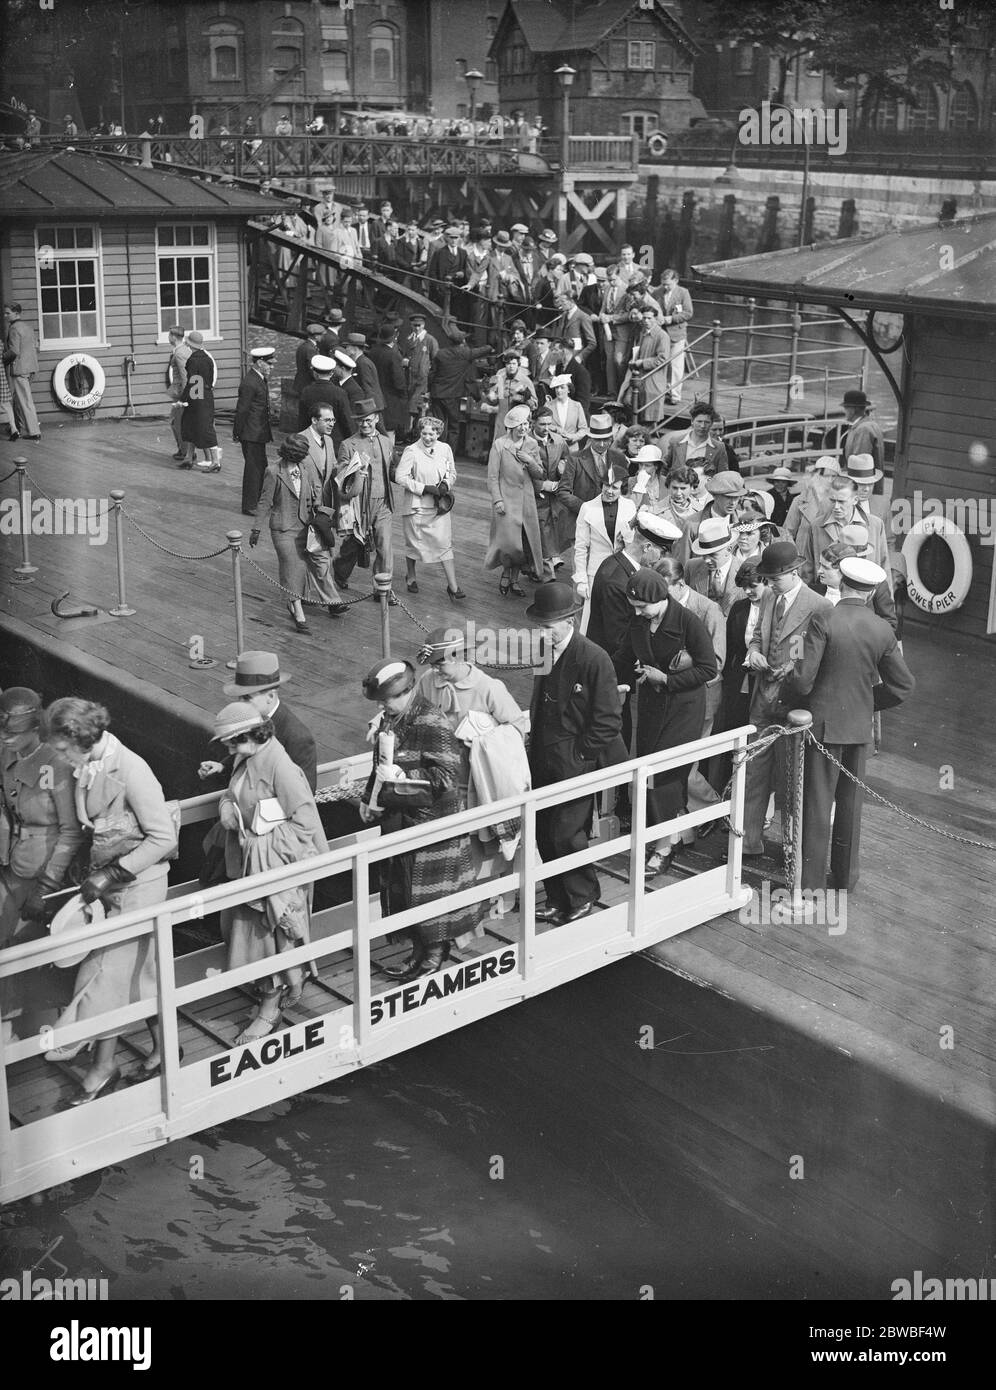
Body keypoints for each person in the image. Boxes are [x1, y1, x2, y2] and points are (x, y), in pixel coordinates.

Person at [45, 700, 178, 1101]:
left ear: (82, 739)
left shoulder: (133, 770)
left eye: (64, 749)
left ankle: (101, 1065)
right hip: (107, 885)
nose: (60, 757)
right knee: (142, 971)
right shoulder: (85, 766)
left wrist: (113, 873)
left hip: (140, 884)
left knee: (107, 973)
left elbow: (164, 838)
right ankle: (166, 1049)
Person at [782, 558, 914, 892]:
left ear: (842, 585)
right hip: (858, 729)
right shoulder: (882, 629)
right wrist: (869, 703)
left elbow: (803, 682)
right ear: (871, 593)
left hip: (823, 728)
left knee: (816, 804)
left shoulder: (823, 619)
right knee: (851, 807)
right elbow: (903, 686)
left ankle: (809, 882)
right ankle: (845, 878)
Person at [358, 658, 483, 980]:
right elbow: (380, 765)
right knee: (404, 890)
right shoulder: (393, 717)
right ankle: (419, 949)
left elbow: (446, 775)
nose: (384, 707)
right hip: (402, 819)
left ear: (407, 691)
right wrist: (369, 798)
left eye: (388, 699)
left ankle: (434, 952)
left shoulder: (431, 721)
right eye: (382, 701)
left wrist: (403, 774)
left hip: (431, 823)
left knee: (430, 894)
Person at [213, 703, 327, 1044]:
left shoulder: (282, 768)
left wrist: (261, 847)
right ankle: (270, 992)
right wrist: (226, 812)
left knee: (272, 938)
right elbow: (231, 793)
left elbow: (305, 822)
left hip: (277, 869)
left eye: (232, 743)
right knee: (250, 934)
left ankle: (270, 1008)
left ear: (250, 736)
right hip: (252, 869)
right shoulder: (246, 758)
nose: (228, 750)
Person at [526, 583, 628, 925]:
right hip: (542, 756)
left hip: (573, 763)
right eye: (540, 625)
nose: (544, 632)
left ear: (570, 619)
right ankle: (557, 897)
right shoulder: (544, 649)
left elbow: (609, 719)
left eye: (549, 625)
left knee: (566, 834)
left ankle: (583, 894)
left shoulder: (593, 658)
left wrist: (581, 757)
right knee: (544, 832)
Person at [613, 567, 716, 878]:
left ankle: (663, 849)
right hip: (652, 708)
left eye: (643, 606)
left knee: (665, 777)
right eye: (634, 606)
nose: (638, 612)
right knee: (648, 775)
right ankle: (673, 835)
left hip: (683, 710)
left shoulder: (688, 622)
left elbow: (708, 669)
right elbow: (622, 655)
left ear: (661, 598)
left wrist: (666, 678)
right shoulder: (639, 620)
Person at [740, 541, 830, 858]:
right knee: (754, 773)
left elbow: (817, 656)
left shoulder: (819, 607)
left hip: (793, 707)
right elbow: (756, 637)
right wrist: (754, 654)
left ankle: (792, 850)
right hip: (762, 701)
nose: (768, 584)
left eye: (774, 578)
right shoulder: (769, 598)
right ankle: (749, 841)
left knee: (791, 780)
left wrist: (792, 666)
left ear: (793, 572)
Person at [0, 689, 83, 1029]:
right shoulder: (7, 752)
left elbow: (70, 831)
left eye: (13, 733)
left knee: (31, 949)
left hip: (43, 873)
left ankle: (44, 1025)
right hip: (11, 866)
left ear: (35, 728)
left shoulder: (55, 764)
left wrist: (47, 885)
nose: (5, 738)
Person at [250, 434, 344, 634]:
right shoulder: (273, 472)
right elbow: (265, 501)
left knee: (318, 562)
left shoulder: (305, 468)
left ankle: (326, 601)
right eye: (300, 454)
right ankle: (299, 613)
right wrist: (256, 529)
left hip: (305, 526)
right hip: (283, 529)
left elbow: (314, 491)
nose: (303, 457)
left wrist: (320, 512)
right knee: (293, 568)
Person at [197, 652, 318, 792]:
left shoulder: (297, 737)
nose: (241, 704)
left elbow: (306, 794)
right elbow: (243, 754)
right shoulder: (250, 721)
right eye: (240, 698)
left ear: (270, 696)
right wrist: (222, 768)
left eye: (247, 698)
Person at [394, 415, 465, 600]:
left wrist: (445, 485)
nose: (427, 438)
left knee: (444, 544)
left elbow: (452, 472)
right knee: (414, 544)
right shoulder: (411, 450)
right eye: (424, 433)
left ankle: (453, 587)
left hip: (439, 506)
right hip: (417, 507)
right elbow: (400, 477)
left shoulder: (445, 449)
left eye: (431, 434)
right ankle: (411, 576)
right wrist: (423, 488)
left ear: (438, 433)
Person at [334, 398, 396, 595]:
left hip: (383, 502)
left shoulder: (386, 442)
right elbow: (341, 475)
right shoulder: (348, 444)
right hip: (359, 504)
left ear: (376, 418)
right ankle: (339, 573)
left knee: (385, 546)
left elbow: (392, 470)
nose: (365, 424)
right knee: (354, 544)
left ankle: (382, 590)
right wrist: (354, 472)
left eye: (369, 420)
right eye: (361, 421)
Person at [485, 404, 545, 596]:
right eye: (519, 424)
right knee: (509, 543)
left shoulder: (532, 444)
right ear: (511, 427)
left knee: (523, 542)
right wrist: (497, 500)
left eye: (526, 423)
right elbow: (493, 477)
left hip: (526, 501)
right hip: (506, 500)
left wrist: (531, 461)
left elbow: (540, 474)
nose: (523, 428)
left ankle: (515, 579)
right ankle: (505, 574)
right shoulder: (499, 445)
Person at [573, 464, 637, 633]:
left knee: (618, 613)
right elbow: (580, 547)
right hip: (596, 570)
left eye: (614, 487)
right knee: (590, 615)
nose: (609, 491)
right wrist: (581, 579)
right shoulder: (587, 508)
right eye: (606, 486)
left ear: (621, 488)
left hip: (622, 569)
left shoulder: (629, 506)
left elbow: (632, 541)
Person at [797, 473, 889, 586]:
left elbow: (884, 567)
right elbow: (807, 570)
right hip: (827, 596)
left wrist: (887, 601)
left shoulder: (875, 525)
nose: (836, 507)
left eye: (841, 501)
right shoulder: (816, 526)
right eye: (832, 500)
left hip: (863, 597)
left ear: (855, 500)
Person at [531, 405, 575, 577]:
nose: (546, 428)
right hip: (536, 496)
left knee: (557, 527)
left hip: (556, 496)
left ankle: (549, 559)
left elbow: (567, 460)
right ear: (533, 423)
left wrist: (563, 468)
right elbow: (519, 473)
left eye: (549, 424)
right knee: (541, 529)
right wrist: (541, 486)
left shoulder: (558, 441)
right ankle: (547, 571)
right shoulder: (526, 442)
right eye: (542, 424)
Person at [233, 346, 275, 516]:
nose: (271, 367)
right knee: (252, 469)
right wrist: (237, 432)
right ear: (259, 362)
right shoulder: (250, 382)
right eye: (269, 364)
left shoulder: (259, 379)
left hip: (258, 432)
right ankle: (250, 505)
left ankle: (259, 501)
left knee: (260, 467)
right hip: (251, 433)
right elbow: (242, 410)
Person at [562, 412, 627, 507]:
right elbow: (563, 491)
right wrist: (584, 508)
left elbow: (624, 488)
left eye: (605, 440)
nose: (601, 444)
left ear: (611, 438)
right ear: (590, 438)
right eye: (597, 440)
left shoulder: (619, 458)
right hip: (581, 515)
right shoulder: (575, 459)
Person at [686, 517, 746, 617]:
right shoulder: (691, 567)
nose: (706, 560)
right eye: (704, 555)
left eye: (713, 555)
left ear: (729, 549)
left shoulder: (744, 571)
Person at [179, 330, 220, 471]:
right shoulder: (208, 359)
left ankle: (215, 462)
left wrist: (183, 399)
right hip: (206, 396)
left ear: (190, 345)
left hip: (196, 398)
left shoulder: (193, 360)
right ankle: (188, 458)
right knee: (192, 426)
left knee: (204, 429)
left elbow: (192, 382)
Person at [653, 268, 693, 403]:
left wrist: (671, 319)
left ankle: (675, 395)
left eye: (668, 284)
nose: (665, 287)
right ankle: (663, 392)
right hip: (662, 333)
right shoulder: (657, 292)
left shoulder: (683, 293)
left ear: (676, 281)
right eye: (663, 284)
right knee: (662, 363)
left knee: (676, 366)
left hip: (677, 333)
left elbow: (688, 313)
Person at [2, 303, 41, 440]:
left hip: (20, 369)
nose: (5, 316)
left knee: (24, 400)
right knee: (19, 400)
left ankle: (34, 432)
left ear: (16, 313)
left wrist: (2, 360)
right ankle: (19, 427)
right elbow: (35, 346)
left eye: (8, 313)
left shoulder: (13, 328)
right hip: (31, 368)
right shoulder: (27, 327)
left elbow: (14, 351)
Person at [629, 303, 670, 423]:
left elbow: (662, 359)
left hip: (654, 379)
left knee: (650, 414)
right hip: (641, 377)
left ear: (656, 319)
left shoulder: (662, 336)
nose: (646, 321)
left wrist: (642, 362)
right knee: (633, 404)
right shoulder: (643, 333)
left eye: (649, 318)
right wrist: (634, 360)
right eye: (644, 318)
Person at [662, 401, 725, 477]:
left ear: (711, 424)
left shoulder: (719, 447)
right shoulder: (676, 442)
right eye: (699, 421)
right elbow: (663, 468)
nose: (702, 426)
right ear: (692, 421)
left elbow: (723, 476)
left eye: (707, 422)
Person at [367, 326, 408, 439]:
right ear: (394, 337)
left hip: (375, 395)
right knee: (389, 430)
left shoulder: (373, 351)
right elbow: (399, 382)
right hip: (391, 398)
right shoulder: (393, 355)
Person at [402, 313, 439, 431]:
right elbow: (405, 355)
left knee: (418, 405)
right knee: (411, 404)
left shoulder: (430, 340)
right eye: (414, 325)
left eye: (419, 325)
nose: (417, 328)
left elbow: (436, 361)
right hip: (410, 378)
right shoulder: (409, 339)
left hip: (423, 379)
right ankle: (411, 431)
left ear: (423, 325)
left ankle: (416, 432)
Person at [840, 389, 885, 473]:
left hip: (863, 483)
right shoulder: (871, 424)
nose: (844, 411)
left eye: (845, 408)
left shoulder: (863, 430)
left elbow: (860, 465)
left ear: (852, 410)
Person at [165, 325, 191, 462]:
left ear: (174, 337)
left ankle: (184, 451)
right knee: (177, 422)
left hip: (181, 394)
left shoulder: (180, 353)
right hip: (181, 393)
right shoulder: (184, 350)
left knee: (177, 423)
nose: (168, 337)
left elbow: (185, 376)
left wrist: (184, 397)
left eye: (169, 335)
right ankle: (185, 450)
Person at [546, 372, 587, 448]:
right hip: (553, 447)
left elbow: (583, 429)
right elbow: (544, 425)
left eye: (562, 387)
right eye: (556, 387)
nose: (558, 390)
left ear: (569, 390)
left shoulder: (577, 406)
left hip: (571, 447)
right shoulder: (548, 405)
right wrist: (555, 429)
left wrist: (573, 437)